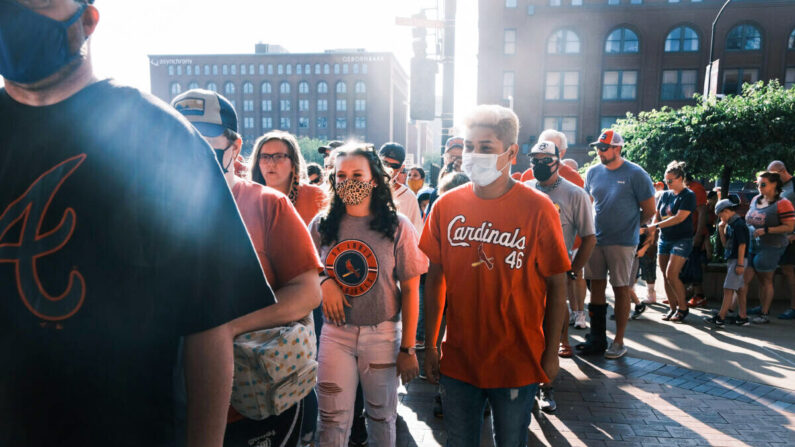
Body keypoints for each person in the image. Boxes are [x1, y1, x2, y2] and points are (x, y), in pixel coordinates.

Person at [0, 1, 276, 446]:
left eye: (42, 2)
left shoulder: (163, 138)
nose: (16, 16)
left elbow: (208, 326)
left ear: (87, 21)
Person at [172, 89, 323, 446]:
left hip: (257, 404)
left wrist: (226, 328)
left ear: (235, 147)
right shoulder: (147, 207)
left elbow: (308, 291)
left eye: (204, 144)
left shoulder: (268, 204)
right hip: (174, 403)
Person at [420, 105, 570, 446]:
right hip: (459, 358)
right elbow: (435, 279)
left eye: (485, 147)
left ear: (511, 152)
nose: (473, 155)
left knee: (511, 442)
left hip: (516, 359)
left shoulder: (539, 208)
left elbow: (557, 282)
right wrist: (429, 345)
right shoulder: (446, 205)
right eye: (469, 146)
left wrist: (551, 352)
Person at [310, 144, 427, 446]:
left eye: (357, 174)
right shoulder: (322, 225)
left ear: (374, 179)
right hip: (335, 334)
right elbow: (306, 269)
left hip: (383, 334)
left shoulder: (397, 226)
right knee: (331, 420)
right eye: (341, 175)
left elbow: (412, 289)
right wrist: (324, 281)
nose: (348, 181)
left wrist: (408, 349)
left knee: (381, 416)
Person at [525, 140, 595, 415]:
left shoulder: (574, 194)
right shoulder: (524, 190)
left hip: (555, 274)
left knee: (552, 331)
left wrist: (574, 269)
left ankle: (546, 386)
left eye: (545, 160)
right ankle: (525, 383)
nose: (539, 165)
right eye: (535, 160)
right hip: (523, 272)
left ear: (558, 162)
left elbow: (589, 237)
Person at [577, 130, 655, 359]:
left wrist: (633, 226)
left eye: (604, 148)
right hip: (597, 239)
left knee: (621, 288)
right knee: (597, 288)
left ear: (617, 148)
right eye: (598, 148)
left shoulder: (636, 173)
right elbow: (587, 203)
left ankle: (619, 341)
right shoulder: (592, 172)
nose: (599, 152)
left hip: (622, 242)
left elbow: (650, 210)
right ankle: (597, 338)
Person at [647, 161, 697, 323]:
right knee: (665, 275)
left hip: (682, 238)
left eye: (671, 181)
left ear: (681, 178)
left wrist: (655, 226)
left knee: (672, 273)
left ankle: (683, 308)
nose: (667, 184)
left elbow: (679, 218)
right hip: (665, 239)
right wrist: (653, 233)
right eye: (666, 180)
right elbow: (657, 214)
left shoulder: (688, 195)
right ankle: (673, 308)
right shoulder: (666, 195)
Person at [743, 171, 795, 323]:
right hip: (754, 244)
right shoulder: (755, 199)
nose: (759, 187)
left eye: (763, 184)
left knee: (766, 279)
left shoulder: (783, 203)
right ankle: (735, 311)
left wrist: (767, 230)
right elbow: (749, 218)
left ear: (774, 185)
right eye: (757, 184)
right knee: (748, 278)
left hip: (772, 246)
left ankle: (764, 314)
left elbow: (789, 226)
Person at [249, 130, 328, 225]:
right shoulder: (248, 199)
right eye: (265, 157)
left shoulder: (316, 197)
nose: (271, 164)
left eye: (279, 157)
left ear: (293, 164)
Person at [704, 198, 750, 327]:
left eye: (720, 215)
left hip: (738, 259)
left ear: (726, 211)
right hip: (734, 258)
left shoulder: (738, 225)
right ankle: (743, 316)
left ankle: (721, 317)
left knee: (728, 288)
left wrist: (740, 264)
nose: (720, 217)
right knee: (739, 289)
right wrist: (721, 229)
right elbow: (726, 245)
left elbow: (742, 245)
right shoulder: (730, 224)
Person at [767, 160, 795, 320]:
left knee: (789, 270)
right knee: (768, 269)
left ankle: (793, 307)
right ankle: (765, 305)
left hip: (790, 237)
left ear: (782, 171)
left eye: (773, 174)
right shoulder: (778, 188)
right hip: (776, 236)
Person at [379, 142, 424, 234]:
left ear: (401, 168)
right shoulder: (366, 189)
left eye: (394, 166)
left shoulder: (409, 197)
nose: (389, 168)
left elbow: (416, 234)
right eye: (385, 163)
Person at [519, 129, 584, 188]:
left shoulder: (574, 178)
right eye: (542, 147)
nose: (545, 151)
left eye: (552, 148)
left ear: (562, 153)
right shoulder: (527, 176)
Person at [683, 174, 709, 308]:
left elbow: (702, 211)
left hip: (693, 234)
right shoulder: (686, 188)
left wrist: (698, 235)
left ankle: (699, 296)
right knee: (687, 265)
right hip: (686, 233)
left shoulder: (696, 188)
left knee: (694, 265)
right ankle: (682, 295)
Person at [425, 136, 464, 214]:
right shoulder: (436, 193)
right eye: (451, 157)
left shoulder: (475, 188)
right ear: (445, 159)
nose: (454, 161)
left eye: (459, 157)